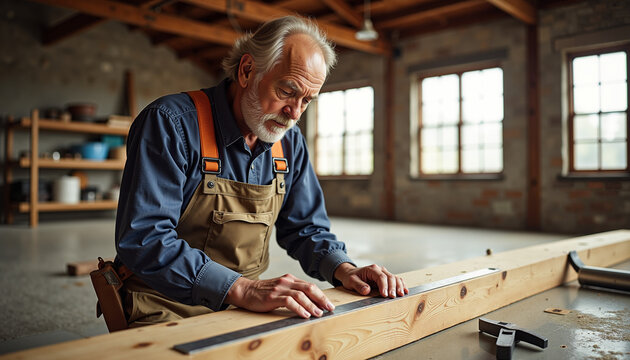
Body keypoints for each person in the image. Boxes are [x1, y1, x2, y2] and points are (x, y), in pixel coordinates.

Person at [114, 16, 408, 327]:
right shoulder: (171, 124)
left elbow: (306, 228)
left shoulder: (289, 142)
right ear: (246, 71)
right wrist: (242, 288)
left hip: (241, 306)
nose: (294, 113)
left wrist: (343, 269)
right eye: (286, 91)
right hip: (163, 304)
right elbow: (145, 238)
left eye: (306, 101)